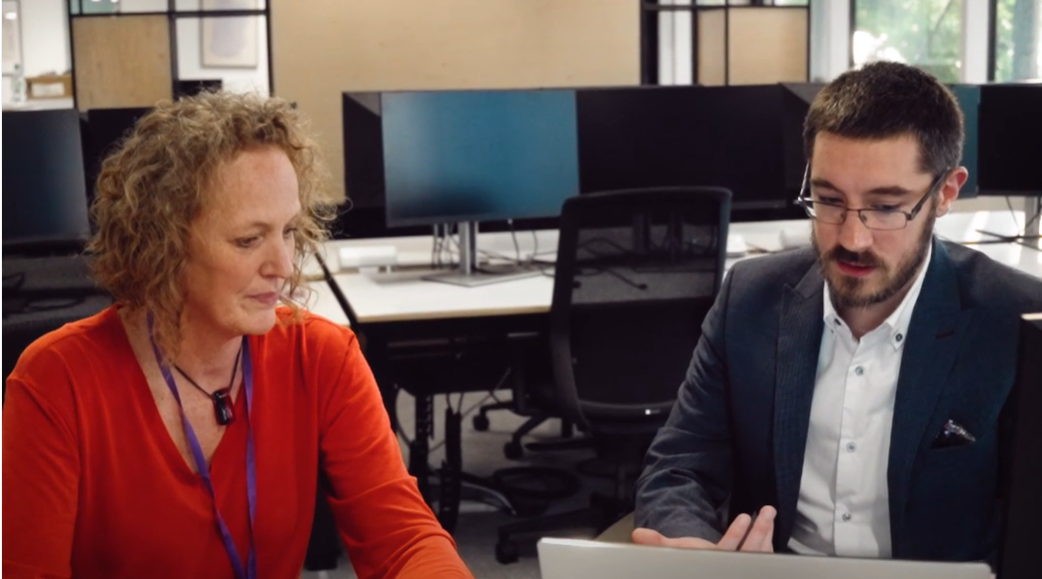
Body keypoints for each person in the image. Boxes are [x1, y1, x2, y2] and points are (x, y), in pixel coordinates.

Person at [2, 92, 474, 579]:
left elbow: (403, 541)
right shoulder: (57, 383)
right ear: (161, 244)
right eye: (249, 240)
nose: (285, 267)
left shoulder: (321, 357)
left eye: (289, 231)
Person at [632, 61, 1042, 563]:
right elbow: (680, 465)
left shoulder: (1017, 319)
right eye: (828, 201)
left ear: (945, 194)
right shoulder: (749, 296)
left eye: (886, 207)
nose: (852, 238)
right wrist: (691, 542)